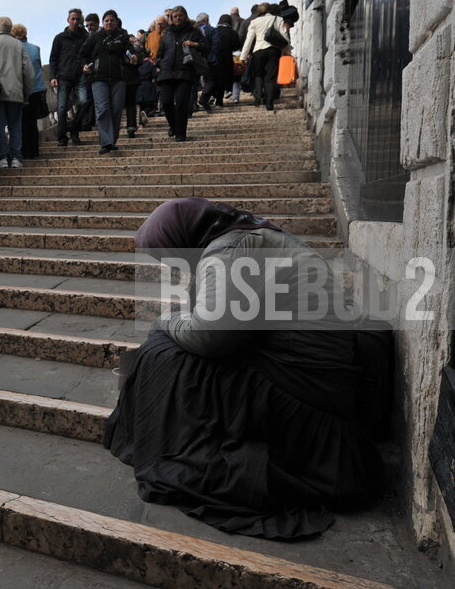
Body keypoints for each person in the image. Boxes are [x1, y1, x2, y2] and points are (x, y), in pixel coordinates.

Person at [105, 197, 383, 539]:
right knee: (170, 344)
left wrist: (165, 320)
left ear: (183, 237)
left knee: (161, 352)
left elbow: (212, 338)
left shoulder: (228, 250)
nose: (170, 265)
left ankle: (174, 439)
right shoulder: (249, 234)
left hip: (302, 395)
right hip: (317, 386)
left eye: (166, 255)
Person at [0, 17, 34, 169]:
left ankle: (1, 158)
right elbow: (28, 71)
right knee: (15, 127)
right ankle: (16, 158)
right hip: (16, 91)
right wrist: (26, 91)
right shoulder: (19, 44)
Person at [156, 6, 208, 142]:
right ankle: (173, 126)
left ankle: (181, 133)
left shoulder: (194, 31)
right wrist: (160, 63)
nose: (178, 18)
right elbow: (160, 53)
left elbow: (206, 47)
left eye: (180, 15)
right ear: (172, 18)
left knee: (181, 103)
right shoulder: (166, 33)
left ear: (185, 16)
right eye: (175, 16)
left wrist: (194, 44)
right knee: (166, 102)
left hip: (185, 71)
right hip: (166, 72)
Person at [81, 10, 129, 153]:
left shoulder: (123, 36)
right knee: (102, 110)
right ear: (103, 23)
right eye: (106, 20)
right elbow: (83, 54)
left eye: (112, 20)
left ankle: (112, 140)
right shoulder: (95, 37)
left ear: (116, 22)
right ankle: (106, 142)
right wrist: (84, 65)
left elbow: (131, 50)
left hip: (118, 78)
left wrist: (134, 56)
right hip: (98, 78)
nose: (109, 23)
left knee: (116, 110)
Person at [47, 9, 89, 147]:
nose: (75, 21)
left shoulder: (85, 37)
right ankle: (61, 137)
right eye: (73, 19)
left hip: (80, 75)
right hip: (64, 76)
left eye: (78, 19)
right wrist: (53, 76)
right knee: (61, 107)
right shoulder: (59, 38)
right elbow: (53, 58)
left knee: (83, 102)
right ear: (68, 20)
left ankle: (74, 130)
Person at [240, 2, 289, 112]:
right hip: (273, 50)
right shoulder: (278, 19)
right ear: (270, 9)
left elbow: (249, 40)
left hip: (258, 51)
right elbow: (284, 36)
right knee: (270, 78)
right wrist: (287, 51)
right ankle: (269, 103)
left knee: (258, 75)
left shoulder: (254, 22)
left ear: (259, 11)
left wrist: (243, 56)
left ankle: (258, 96)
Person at [12, 23, 47, 159]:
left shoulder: (16, 50)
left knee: (22, 123)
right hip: (37, 89)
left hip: (23, 90)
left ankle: (25, 151)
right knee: (32, 122)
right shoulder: (36, 48)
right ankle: (35, 151)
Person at [202, 14, 242, 109]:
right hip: (226, 59)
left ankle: (211, 95)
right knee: (222, 80)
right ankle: (219, 101)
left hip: (213, 58)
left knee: (213, 78)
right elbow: (236, 46)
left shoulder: (214, 31)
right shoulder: (232, 32)